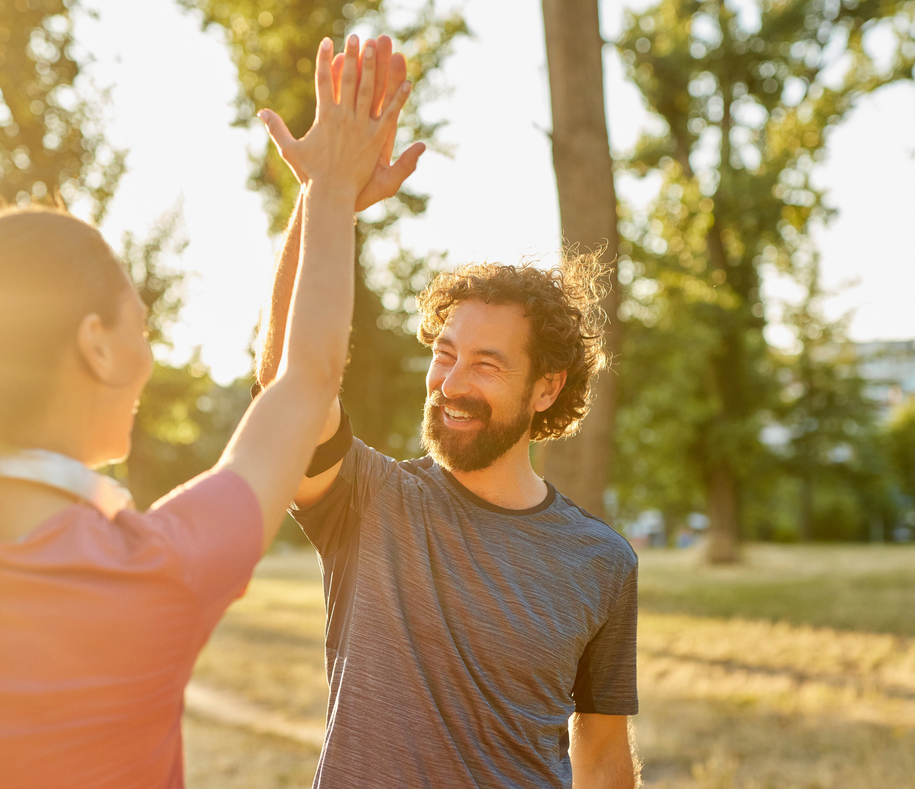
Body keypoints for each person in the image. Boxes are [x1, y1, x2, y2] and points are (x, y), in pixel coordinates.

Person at [0, 34, 416, 789]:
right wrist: (328, 193)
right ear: (96, 346)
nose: (149, 357)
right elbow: (304, 381)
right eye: (143, 326)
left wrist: (324, 189)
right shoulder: (157, 570)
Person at [255, 129, 641, 785]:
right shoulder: (370, 502)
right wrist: (324, 199)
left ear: (545, 387)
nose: (452, 381)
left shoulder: (601, 562)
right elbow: (289, 386)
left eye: (486, 364)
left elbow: (602, 755)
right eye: (444, 353)